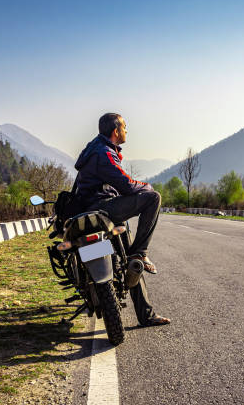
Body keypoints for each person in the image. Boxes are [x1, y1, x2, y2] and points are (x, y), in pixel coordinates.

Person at [73, 112, 170, 326]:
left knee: (128, 260)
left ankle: (145, 313)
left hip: (92, 209)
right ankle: (141, 253)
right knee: (153, 198)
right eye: (125, 127)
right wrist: (147, 187)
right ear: (116, 131)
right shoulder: (104, 153)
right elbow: (126, 184)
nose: (127, 131)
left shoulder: (94, 149)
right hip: (103, 208)